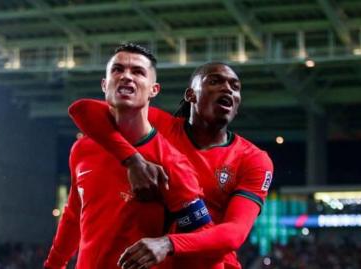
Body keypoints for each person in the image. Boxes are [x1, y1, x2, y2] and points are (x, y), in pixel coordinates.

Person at [68, 62, 274, 269]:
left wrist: (168, 243)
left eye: (235, 86)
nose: (228, 88)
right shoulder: (159, 127)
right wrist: (133, 160)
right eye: (214, 81)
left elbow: (234, 233)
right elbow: (83, 109)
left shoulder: (253, 159)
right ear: (191, 95)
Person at [44, 44, 223, 269]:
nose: (126, 76)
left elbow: (208, 242)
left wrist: (167, 244)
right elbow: (73, 215)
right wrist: (53, 265)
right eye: (117, 70)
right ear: (104, 84)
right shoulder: (83, 148)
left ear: (153, 90)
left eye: (138, 72)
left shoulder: (172, 164)